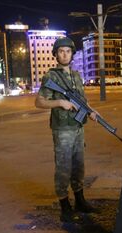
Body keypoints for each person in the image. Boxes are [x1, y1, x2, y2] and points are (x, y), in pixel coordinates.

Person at [35, 37, 98, 222]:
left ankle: (80, 200)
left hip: (78, 127)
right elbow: (39, 101)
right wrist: (60, 102)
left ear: (72, 54)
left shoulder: (77, 76)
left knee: (79, 165)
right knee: (63, 167)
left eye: (68, 51)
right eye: (61, 51)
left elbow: (82, 100)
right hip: (62, 129)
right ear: (55, 54)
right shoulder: (51, 76)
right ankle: (64, 205)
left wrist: (91, 111)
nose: (64, 54)